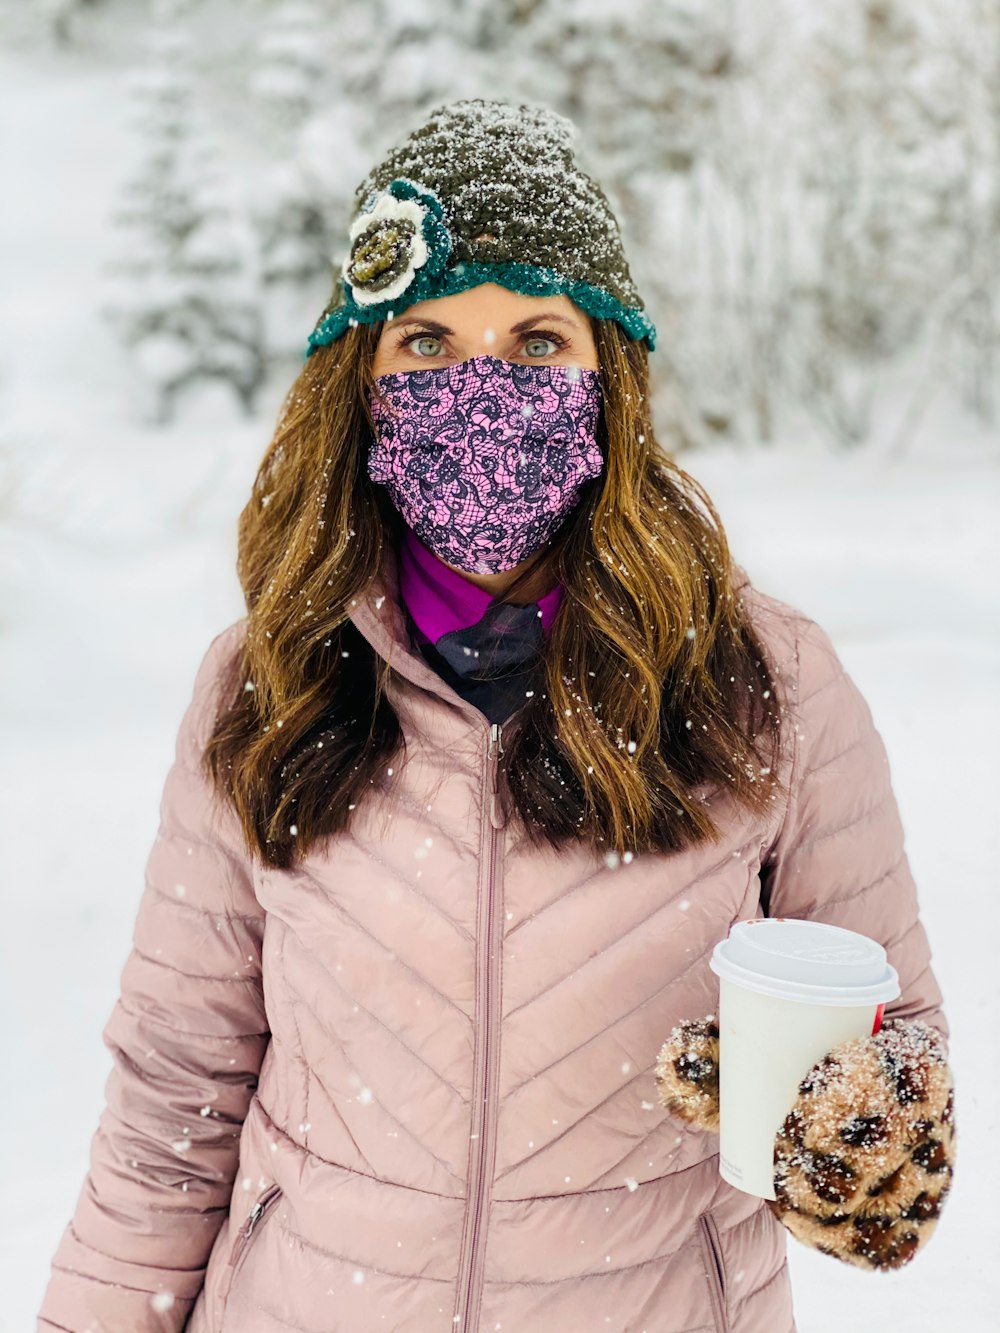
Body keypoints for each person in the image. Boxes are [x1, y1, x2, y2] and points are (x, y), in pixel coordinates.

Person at [37, 98, 955, 1333]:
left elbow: (895, 1042)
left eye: (535, 340)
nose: (481, 389)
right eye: (425, 342)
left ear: (609, 380)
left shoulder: (765, 681)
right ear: (359, 383)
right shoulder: (273, 679)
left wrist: (861, 1136)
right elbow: (174, 1100)